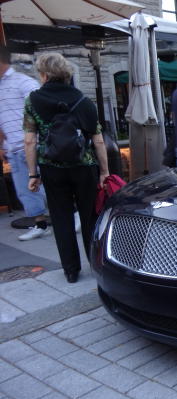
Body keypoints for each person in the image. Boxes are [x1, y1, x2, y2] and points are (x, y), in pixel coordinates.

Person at [24, 52, 109, 283]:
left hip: (52, 167)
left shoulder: (32, 101)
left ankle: (71, 270)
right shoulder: (83, 100)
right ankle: (96, 263)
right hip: (84, 166)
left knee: (61, 218)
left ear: (43, 74)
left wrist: (33, 173)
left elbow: (30, 140)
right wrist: (104, 172)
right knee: (90, 216)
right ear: (66, 73)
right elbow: (98, 140)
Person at [0, 46, 49, 240]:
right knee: (24, 189)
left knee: (49, 185)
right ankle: (40, 224)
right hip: (13, 147)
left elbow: (41, 111)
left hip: (32, 145)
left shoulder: (24, 82)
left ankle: (73, 214)